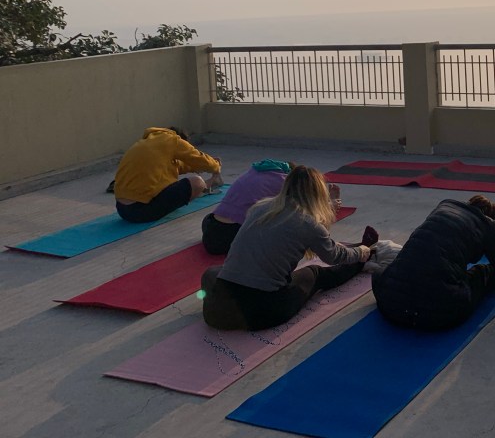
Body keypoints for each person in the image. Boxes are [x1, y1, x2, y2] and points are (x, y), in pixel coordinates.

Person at [201, 165, 372, 331]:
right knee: (316, 273)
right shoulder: (308, 224)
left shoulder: (260, 208)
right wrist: (360, 253)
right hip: (260, 313)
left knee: (215, 272)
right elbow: (334, 256)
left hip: (215, 313)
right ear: (318, 194)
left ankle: (222, 300)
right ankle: (365, 259)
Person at [371, 195, 495, 330]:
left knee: (399, 267)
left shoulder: (444, 207)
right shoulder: (488, 226)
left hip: (390, 305)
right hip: (440, 314)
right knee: (484, 272)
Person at [112, 127, 223, 223]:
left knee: (170, 181)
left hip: (122, 210)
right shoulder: (173, 141)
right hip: (141, 211)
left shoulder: (150, 143)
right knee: (197, 182)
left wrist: (197, 167)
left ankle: (207, 185)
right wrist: (216, 166)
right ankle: (208, 185)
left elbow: (177, 165)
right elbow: (199, 159)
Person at [201, 159, 294, 254]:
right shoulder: (284, 181)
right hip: (233, 234)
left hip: (211, 228)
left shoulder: (253, 171)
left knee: (209, 217)